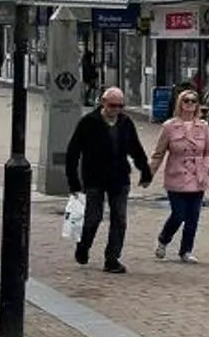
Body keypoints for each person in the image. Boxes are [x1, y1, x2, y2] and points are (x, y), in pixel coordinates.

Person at [65, 85, 153, 273]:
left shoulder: (125, 122)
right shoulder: (88, 122)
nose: (116, 110)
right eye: (113, 105)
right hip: (94, 178)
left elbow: (135, 148)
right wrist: (73, 181)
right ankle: (84, 246)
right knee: (93, 219)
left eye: (121, 106)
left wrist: (145, 171)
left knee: (119, 219)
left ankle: (112, 258)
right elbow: (73, 152)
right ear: (103, 102)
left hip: (119, 178)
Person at [150, 85, 209, 262]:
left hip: (197, 175)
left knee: (193, 216)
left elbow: (208, 150)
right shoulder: (169, 126)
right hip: (176, 174)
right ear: (180, 103)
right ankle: (164, 239)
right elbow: (159, 152)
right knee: (178, 214)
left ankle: (186, 251)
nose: (190, 104)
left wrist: (207, 167)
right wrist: (150, 173)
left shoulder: (204, 126)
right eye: (186, 101)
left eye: (194, 101)